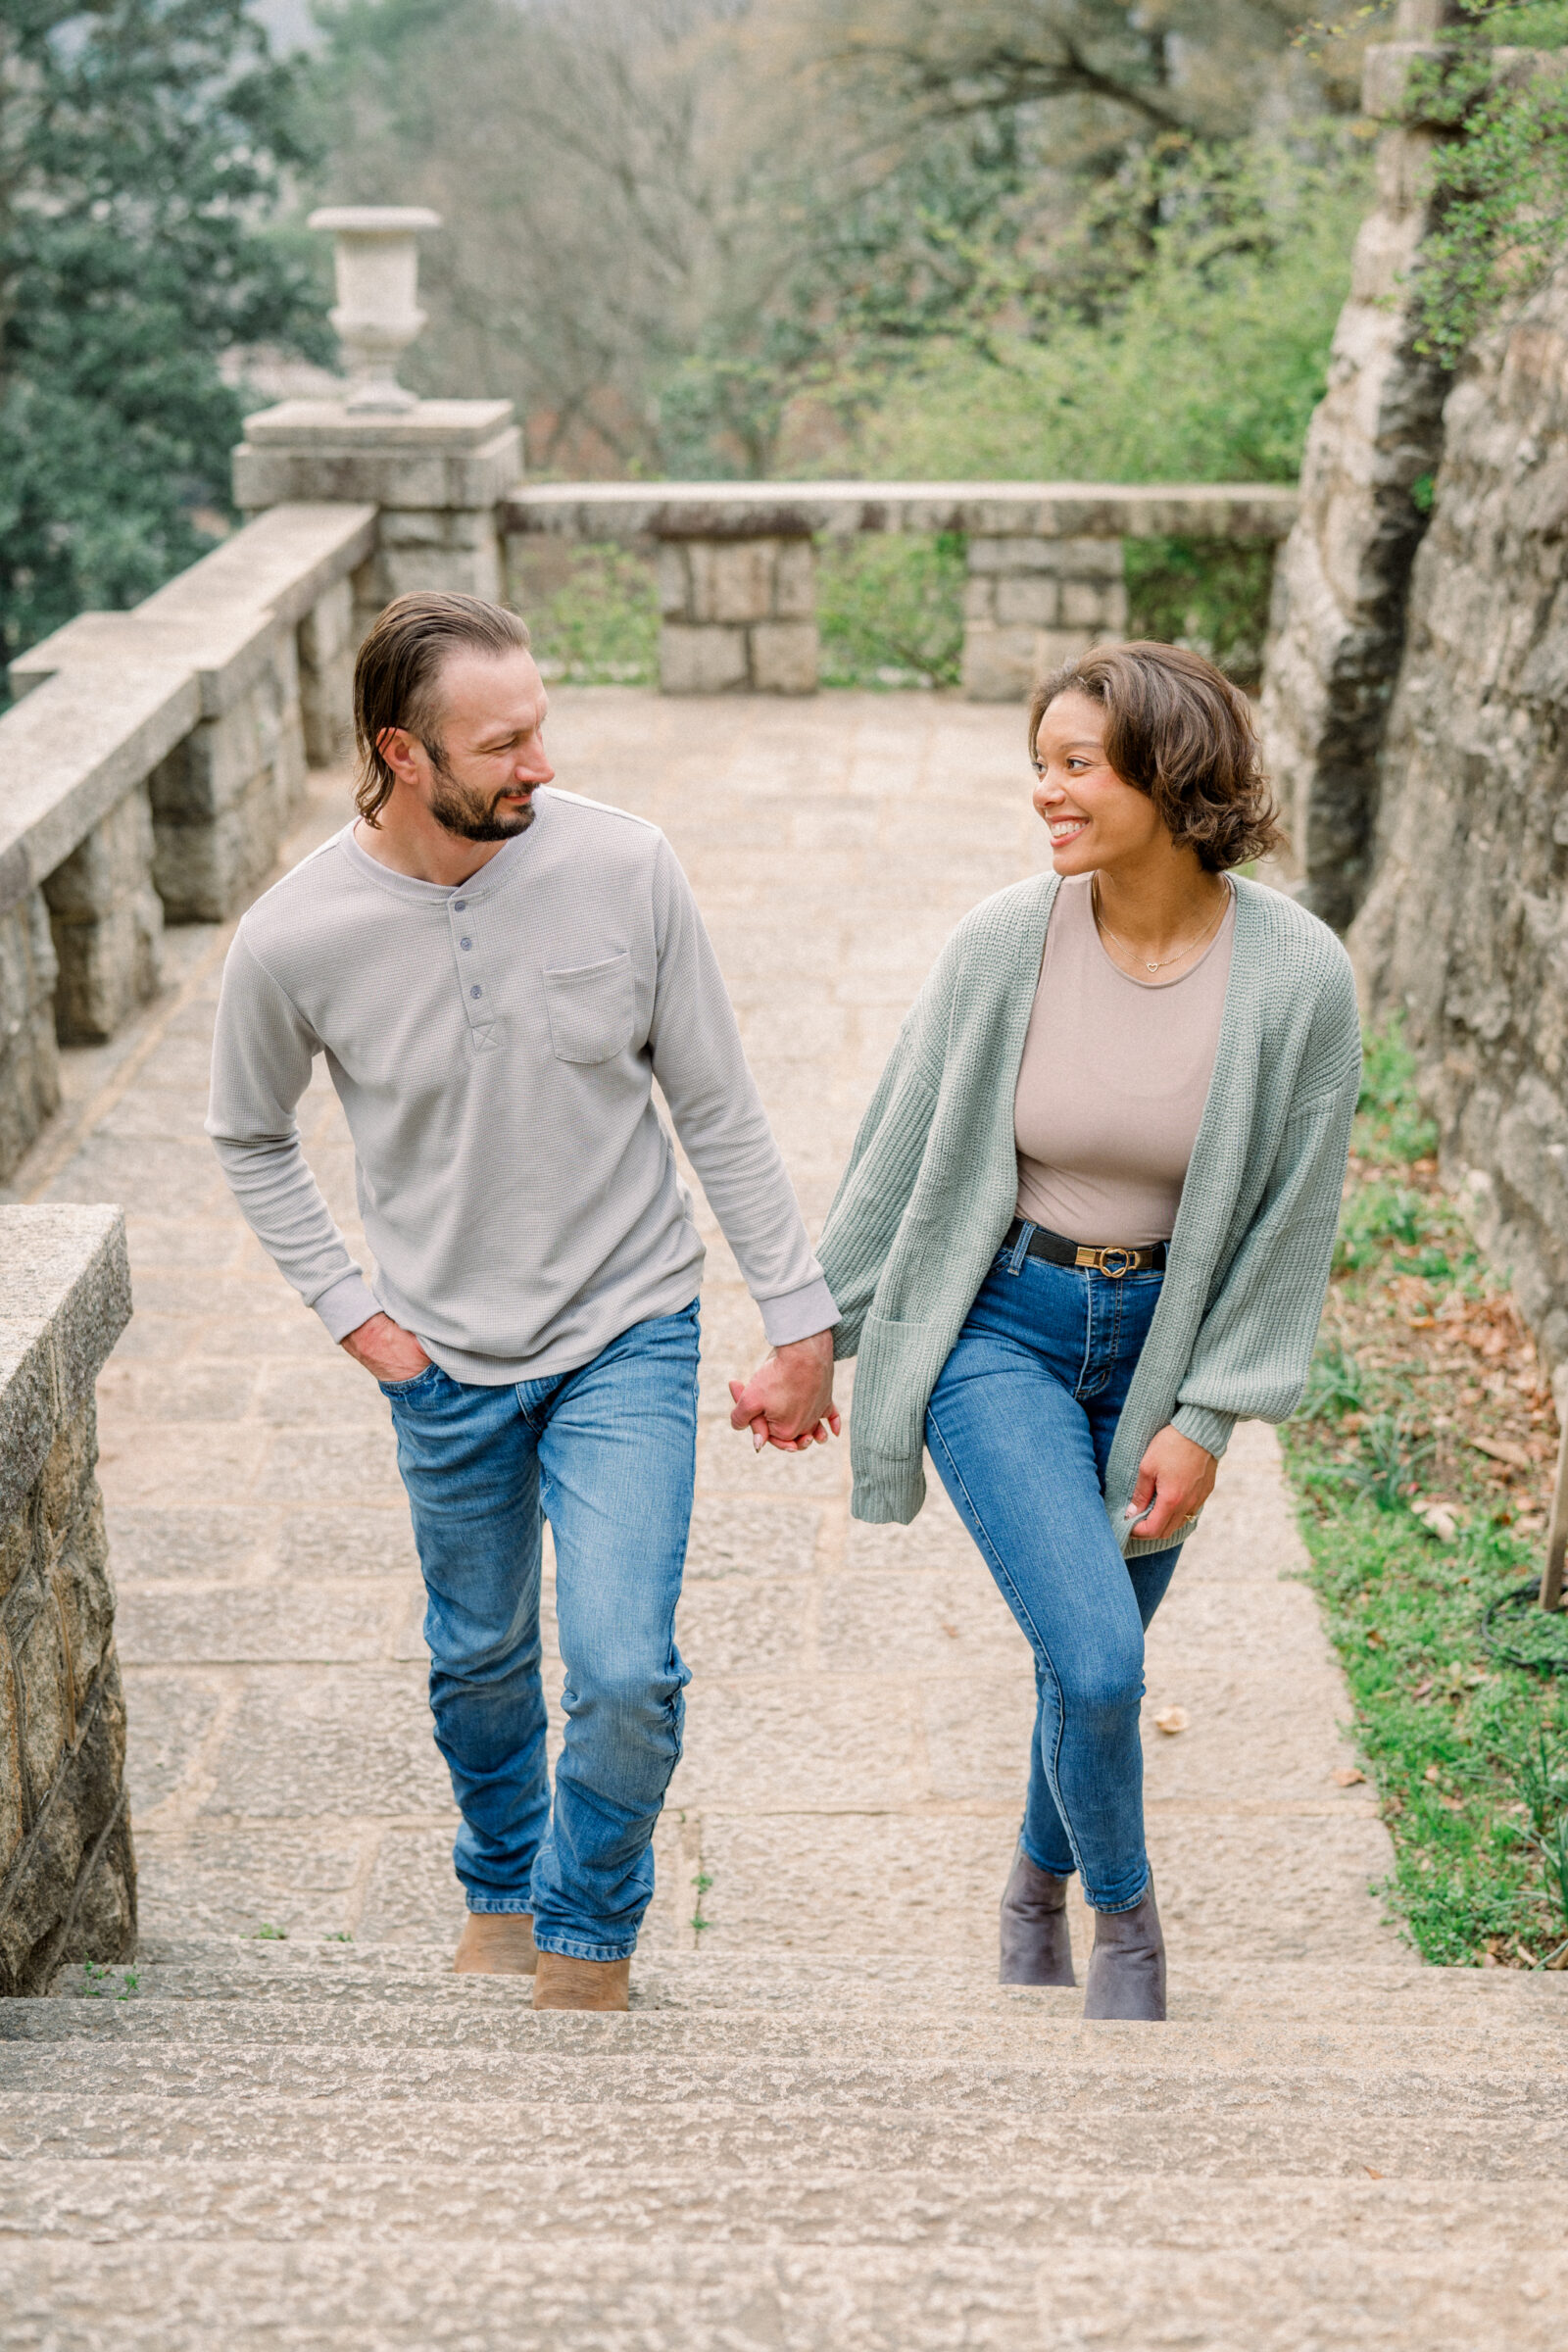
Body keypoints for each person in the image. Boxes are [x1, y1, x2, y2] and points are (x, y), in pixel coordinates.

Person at [207, 590, 838, 2012]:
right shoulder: (294, 934)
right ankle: (501, 1876)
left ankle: (587, 1931)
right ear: (403, 754)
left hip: (629, 1323)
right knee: (478, 1658)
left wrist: (801, 1321)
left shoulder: (627, 866)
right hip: (444, 1359)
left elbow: (719, 1107)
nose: (540, 764)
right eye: (502, 744)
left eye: (540, 728)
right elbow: (246, 1134)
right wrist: (355, 1315)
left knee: (624, 1673)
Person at [803, 641, 1360, 2021]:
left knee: (1083, 1659)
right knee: (1105, 1659)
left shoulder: (1298, 978)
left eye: (1075, 766)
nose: (1045, 795)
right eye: (1036, 766)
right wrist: (816, 1333)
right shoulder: (1006, 942)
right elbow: (898, 1155)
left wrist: (1209, 1415)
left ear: (1171, 776)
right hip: (1002, 1329)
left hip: (1161, 1357)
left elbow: (1293, 1220)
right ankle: (1128, 1928)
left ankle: (1025, 1889)